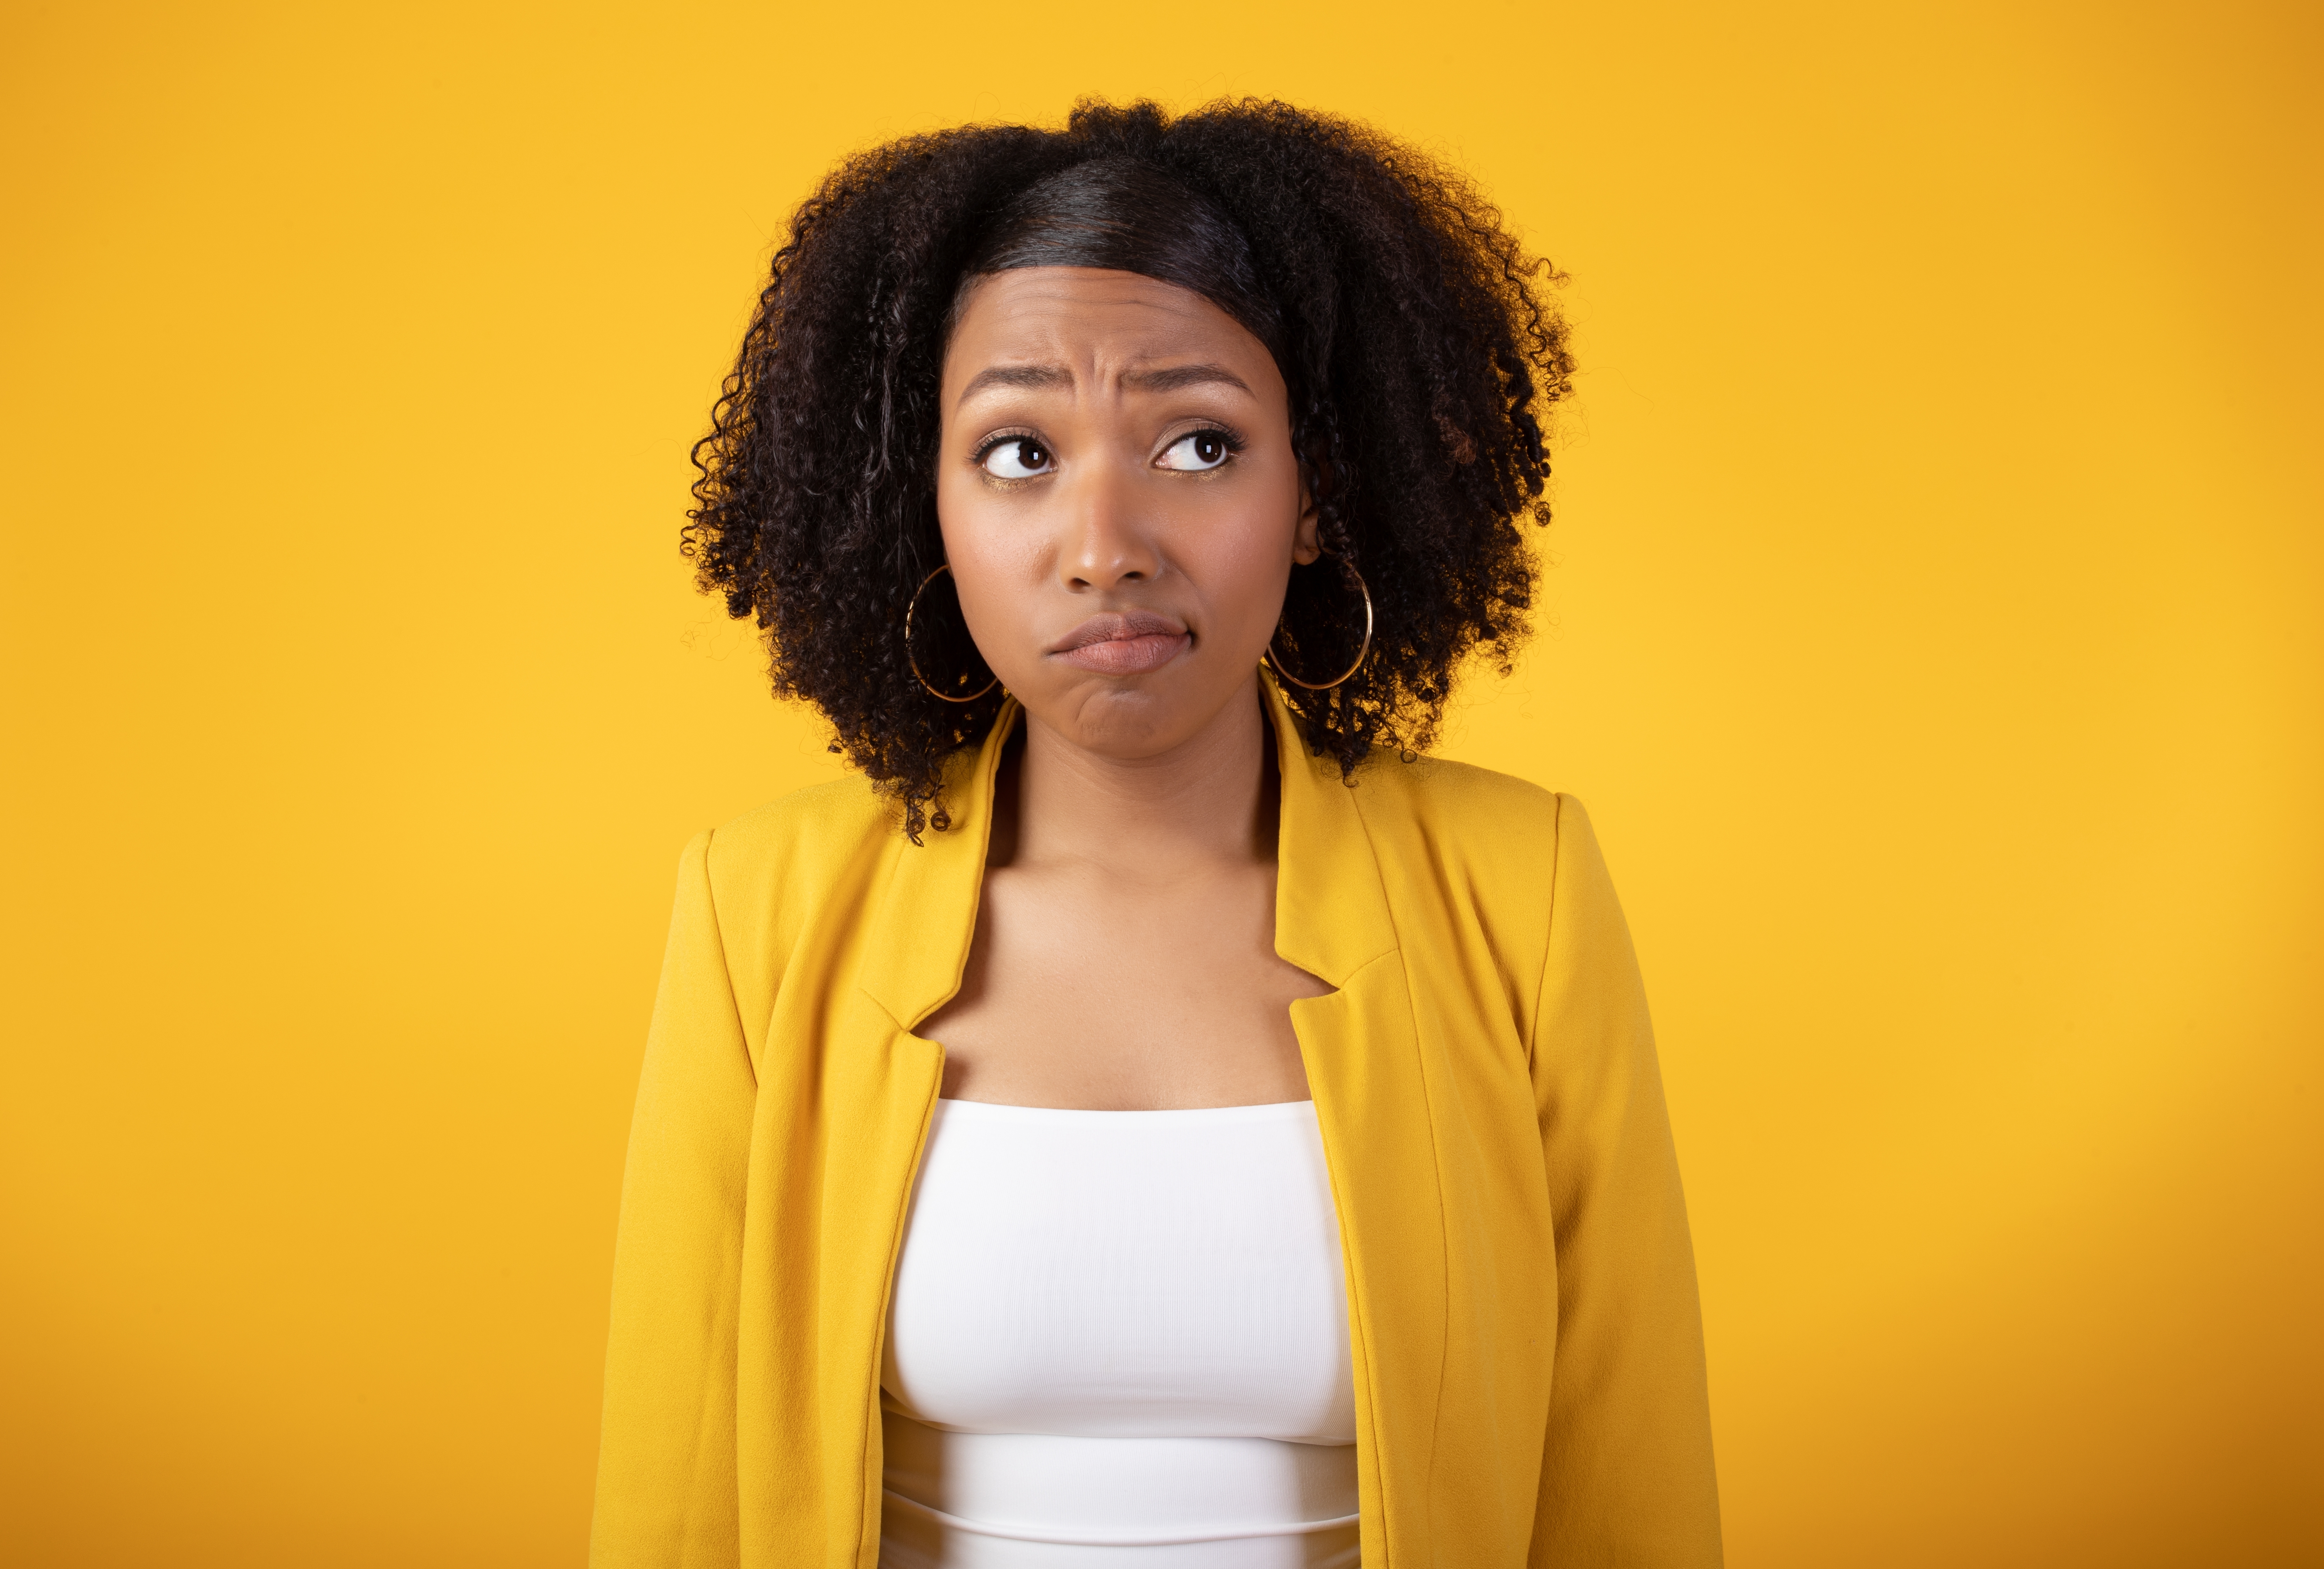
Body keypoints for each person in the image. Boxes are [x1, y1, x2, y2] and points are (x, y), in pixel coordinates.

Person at [590, 98, 1720, 1569]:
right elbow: (674, 1501)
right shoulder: (760, 907)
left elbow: (1622, 1488)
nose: (1105, 540)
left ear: (1315, 489)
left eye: (1198, 443)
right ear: (918, 500)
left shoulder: (1523, 892)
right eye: (1015, 453)